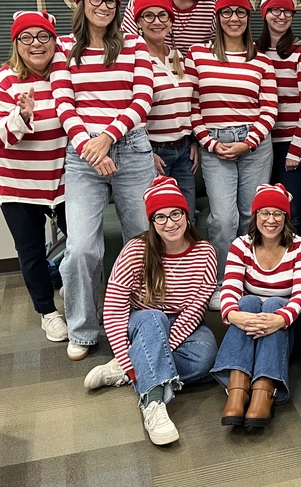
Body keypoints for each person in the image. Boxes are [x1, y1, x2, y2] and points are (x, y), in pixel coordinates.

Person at [51, 0, 156, 361]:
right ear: (81, 3)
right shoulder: (63, 48)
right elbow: (64, 102)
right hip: (82, 159)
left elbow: (142, 98)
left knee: (144, 240)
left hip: (130, 150)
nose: (103, 6)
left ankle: (145, 315)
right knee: (81, 248)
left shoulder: (133, 46)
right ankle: (83, 327)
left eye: (110, 0)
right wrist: (89, 146)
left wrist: (108, 137)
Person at [86, 177, 218, 445]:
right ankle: (153, 402)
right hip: (141, 321)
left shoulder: (205, 253)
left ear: (186, 214)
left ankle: (131, 371)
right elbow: (113, 310)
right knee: (152, 317)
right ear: (152, 223)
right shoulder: (136, 250)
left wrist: (150, 355)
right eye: (160, 217)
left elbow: (194, 311)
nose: (170, 223)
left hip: (182, 324)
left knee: (206, 357)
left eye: (175, 214)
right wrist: (131, 354)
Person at [187, 0, 278, 308]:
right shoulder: (198, 55)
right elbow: (192, 105)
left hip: (254, 144)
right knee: (223, 220)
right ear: (218, 16)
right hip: (215, 144)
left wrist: (249, 142)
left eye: (241, 12)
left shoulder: (261, 61)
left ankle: (249, 278)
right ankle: (225, 283)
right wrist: (210, 143)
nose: (234, 18)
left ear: (248, 17)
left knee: (249, 216)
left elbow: (270, 109)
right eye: (227, 12)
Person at [0, 11, 68, 342]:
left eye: (43, 36)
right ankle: (48, 312)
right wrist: (20, 116)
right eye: (26, 38)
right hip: (17, 185)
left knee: (80, 243)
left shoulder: (64, 76)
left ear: (54, 40)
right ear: (16, 44)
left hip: (62, 182)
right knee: (30, 250)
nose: (36, 44)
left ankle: (72, 298)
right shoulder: (1, 83)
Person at [211, 184, 301, 428]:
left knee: (275, 303)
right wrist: (233, 315)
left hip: (295, 324)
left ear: (286, 217)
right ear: (255, 216)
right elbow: (230, 288)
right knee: (246, 301)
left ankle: (264, 389)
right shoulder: (240, 245)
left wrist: (279, 318)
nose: (271, 219)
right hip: (252, 322)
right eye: (264, 213)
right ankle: (238, 388)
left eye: (277, 213)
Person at [255, 0, 301, 229]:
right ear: (264, 13)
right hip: (261, 145)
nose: (281, 16)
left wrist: (297, 147)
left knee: (290, 209)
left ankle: (295, 261)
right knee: (264, 208)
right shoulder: (254, 51)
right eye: (275, 9)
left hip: (292, 144)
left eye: (287, 11)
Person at [132, 0, 199, 216]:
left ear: (170, 21)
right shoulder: (136, 61)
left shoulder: (179, 56)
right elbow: (132, 111)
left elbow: (192, 104)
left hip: (183, 152)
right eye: (148, 15)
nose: (156, 21)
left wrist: (193, 141)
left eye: (162, 15)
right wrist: (147, 154)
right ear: (139, 22)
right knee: (159, 222)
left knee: (186, 218)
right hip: (154, 153)